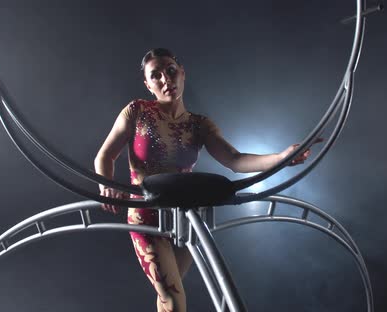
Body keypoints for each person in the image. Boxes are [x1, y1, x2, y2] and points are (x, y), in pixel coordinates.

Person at [94, 48, 321, 312]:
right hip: (146, 214)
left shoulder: (199, 124)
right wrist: (106, 186)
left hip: (188, 216)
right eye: (156, 76)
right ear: (148, 84)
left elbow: (234, 160)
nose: (166, 79)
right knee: (174, 298)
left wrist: (281, 157)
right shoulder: (136, 111)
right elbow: (105, 156)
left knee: (170, 298)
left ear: (182, 73)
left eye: (170, 70)